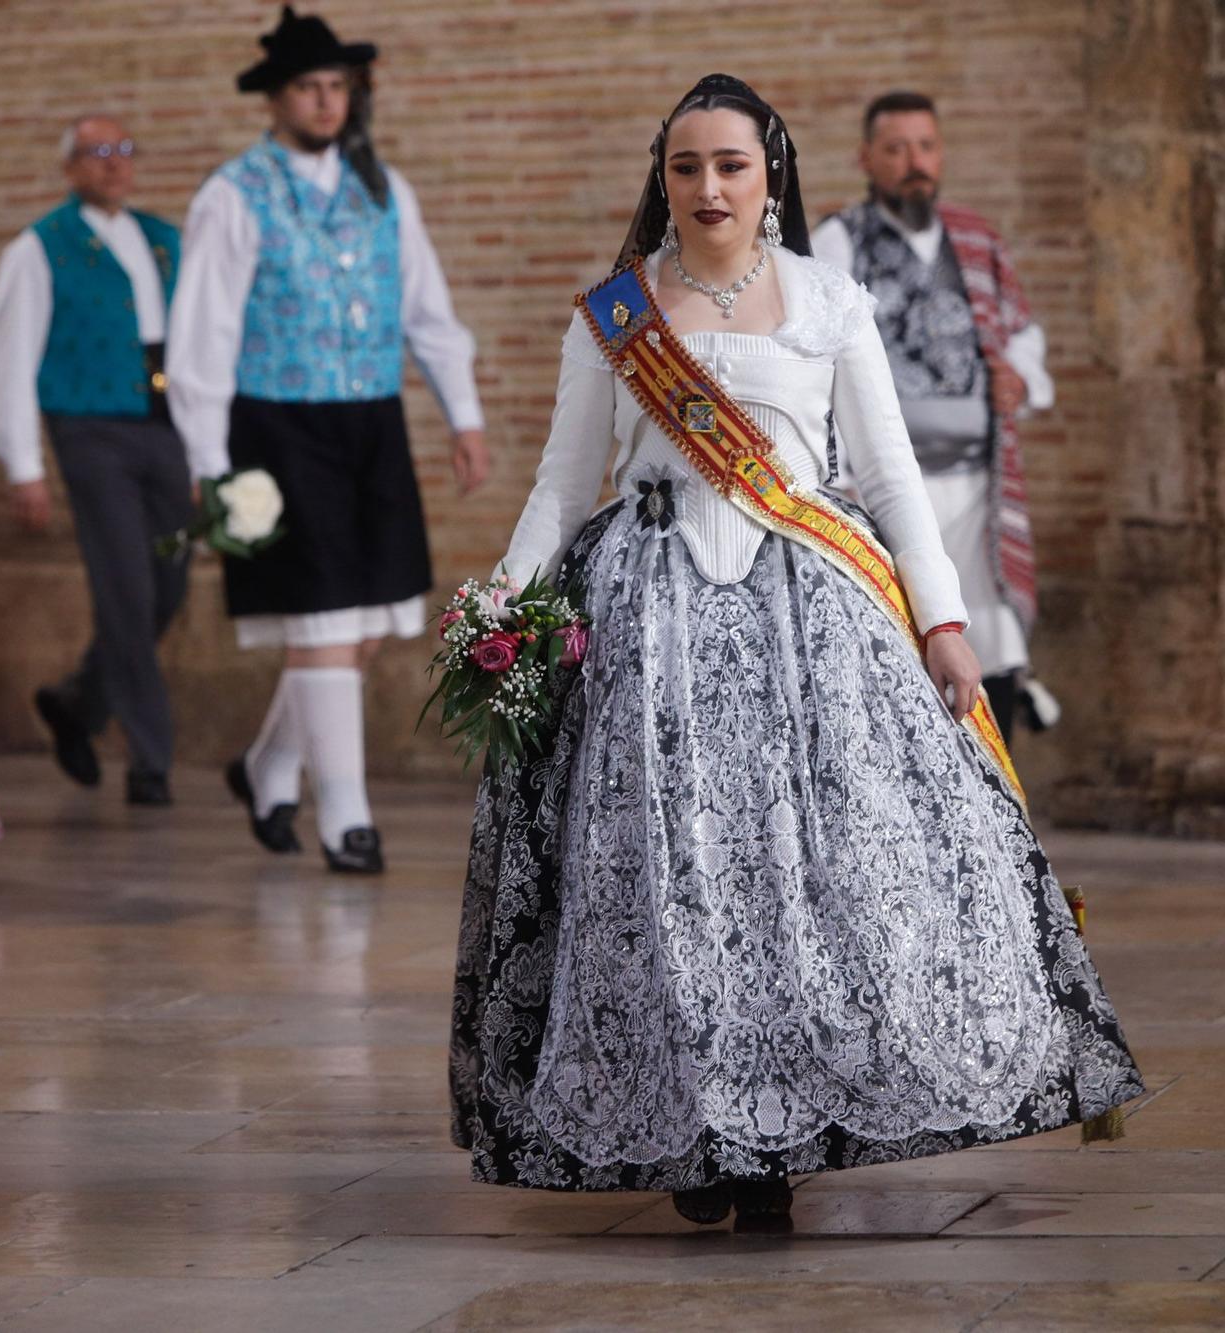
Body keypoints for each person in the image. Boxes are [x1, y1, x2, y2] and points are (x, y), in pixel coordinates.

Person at [448, 75, 1141, 1227]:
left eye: (729, 163)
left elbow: (887, 480)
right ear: (661, 180)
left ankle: (782, 1135)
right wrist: (499, 609)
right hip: (645, 624)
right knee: (667, 879)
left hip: (811, 613)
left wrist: (942, 621)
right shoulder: (616, 312)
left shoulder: (828, 302)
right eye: (684, 167)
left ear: (769, 171)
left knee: (809, 880)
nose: (707, 186)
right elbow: (564, 487)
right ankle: (697, 1129)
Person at [168, 7, 488, 873]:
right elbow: (201, 338)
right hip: (274, 424)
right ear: (275, 99)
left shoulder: (385, 188)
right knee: (320, 616)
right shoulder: (233, 195)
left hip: (370, 421)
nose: (325, 101)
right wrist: (208, 462)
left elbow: (426, 309)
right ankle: (344, 813)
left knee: (368, 622)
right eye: (309, 87)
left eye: (337, 87)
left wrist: (463, 412)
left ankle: (270, 761)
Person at [812, 91, 1058, 741]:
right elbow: (816, 351)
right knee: (902, 631)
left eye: (925, 146)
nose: (913, 162)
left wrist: (1020, 377)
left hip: (978, 485)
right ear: (866, 157)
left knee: (993, 634)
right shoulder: (839, 241)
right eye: (895, 149)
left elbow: (1025, 334)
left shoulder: (977, 239)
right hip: (884, 487)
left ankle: (1002, 793)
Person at [0, 113, 191, 807]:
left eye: (123, 150)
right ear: (69, 167)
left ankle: (79, 701)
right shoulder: (41, 248)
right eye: (96, 153)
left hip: (168, 425)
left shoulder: (165, 240)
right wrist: (22, 463)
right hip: (89, 428)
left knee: (170, 581)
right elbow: (9, 358)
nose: (113, 164)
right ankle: (150, 755)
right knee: (124, 588)